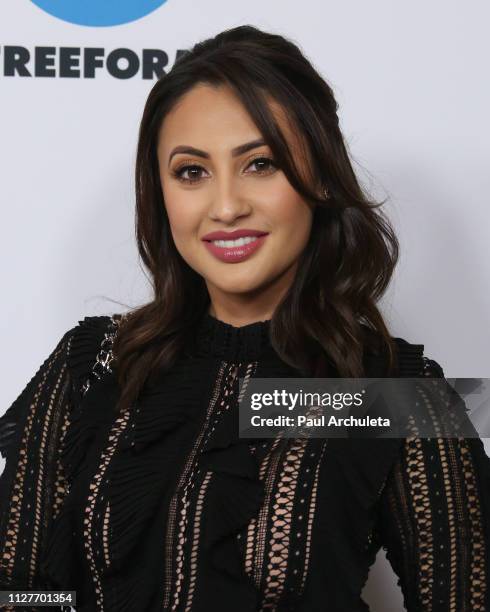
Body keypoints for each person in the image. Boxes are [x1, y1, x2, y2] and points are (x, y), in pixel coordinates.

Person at [1, 24, 489, 612]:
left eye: (260, 163)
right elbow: (21, 590)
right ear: (159, 193)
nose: (227, 206)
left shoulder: (393, 391)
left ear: (319, 178)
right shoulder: (94, 361)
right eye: (191, 172)